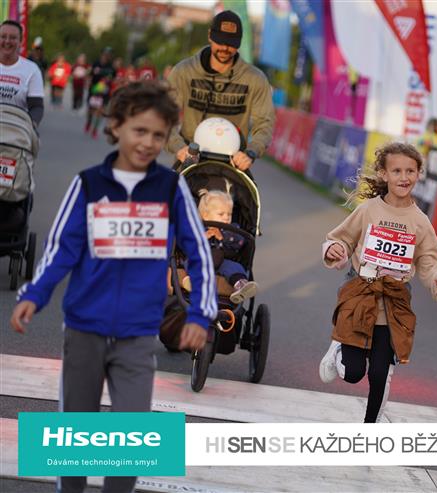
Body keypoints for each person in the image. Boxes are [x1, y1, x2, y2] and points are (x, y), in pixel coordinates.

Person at [9, 81, 216, 493]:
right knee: (76, 435)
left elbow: (198, 252)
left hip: (138, 334)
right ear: (116, 126)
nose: (148, 142)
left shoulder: (171, 188)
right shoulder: (88, 184)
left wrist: (200, 313)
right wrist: (34, 294)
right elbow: (62, 248)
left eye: (158, 135)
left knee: (131, 439)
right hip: (84, 329)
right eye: (139, 130)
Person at [318, 142, 437, 423]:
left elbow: (430, 263)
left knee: (380, 373)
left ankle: (370, 427)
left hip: (393, 304)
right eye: (397, 171)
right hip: (360, 294)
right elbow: (341, 238)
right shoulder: (369, 210)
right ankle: (338, 347)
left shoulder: (420, 221)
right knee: (353, 373)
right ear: (383, 174)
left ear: (418, 174)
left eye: (410, 171)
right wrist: (335, 249)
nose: (404, 177)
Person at [166, 10, 275, 172]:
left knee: (250, 190)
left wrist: (250, 152)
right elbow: (163, 116)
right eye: (220, 41)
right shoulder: (183, 71)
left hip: (234, 165)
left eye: (231, 43)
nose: (225, 48)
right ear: (210, 35)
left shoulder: (255, 79)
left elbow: (264, 124)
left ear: (239, 42)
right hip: (190, 160)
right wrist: (179, 147)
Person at [183, 189, 258, 304]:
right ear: (205, 216)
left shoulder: (232, 229)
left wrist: (222, 237)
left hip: (224, 261)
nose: (226, 218)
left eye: (229, 214)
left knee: (236, 267)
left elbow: (240, 243)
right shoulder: (197, 228)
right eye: (221, 214)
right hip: (201, 260)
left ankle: (241, 286)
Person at [0, 20, 44, 127]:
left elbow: (36, 107)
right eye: (3, 36)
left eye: (13, 38)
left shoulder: (32, 70)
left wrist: (31, 125)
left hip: (17, 130)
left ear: (21, 41)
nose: (7, 41)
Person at [85, 47, 115, 134]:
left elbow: (114, 77)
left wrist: (109, 80)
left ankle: (95, 129)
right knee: (91, 108)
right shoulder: (96, 63)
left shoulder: (111, 67)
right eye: (105, 54)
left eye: (109, 54)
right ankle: (89, 122)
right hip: (94, 88)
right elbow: (90, 74)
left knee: (100, 109)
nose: (107, 56)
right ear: (102, 54)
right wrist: (88, 81)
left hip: (104, 89)